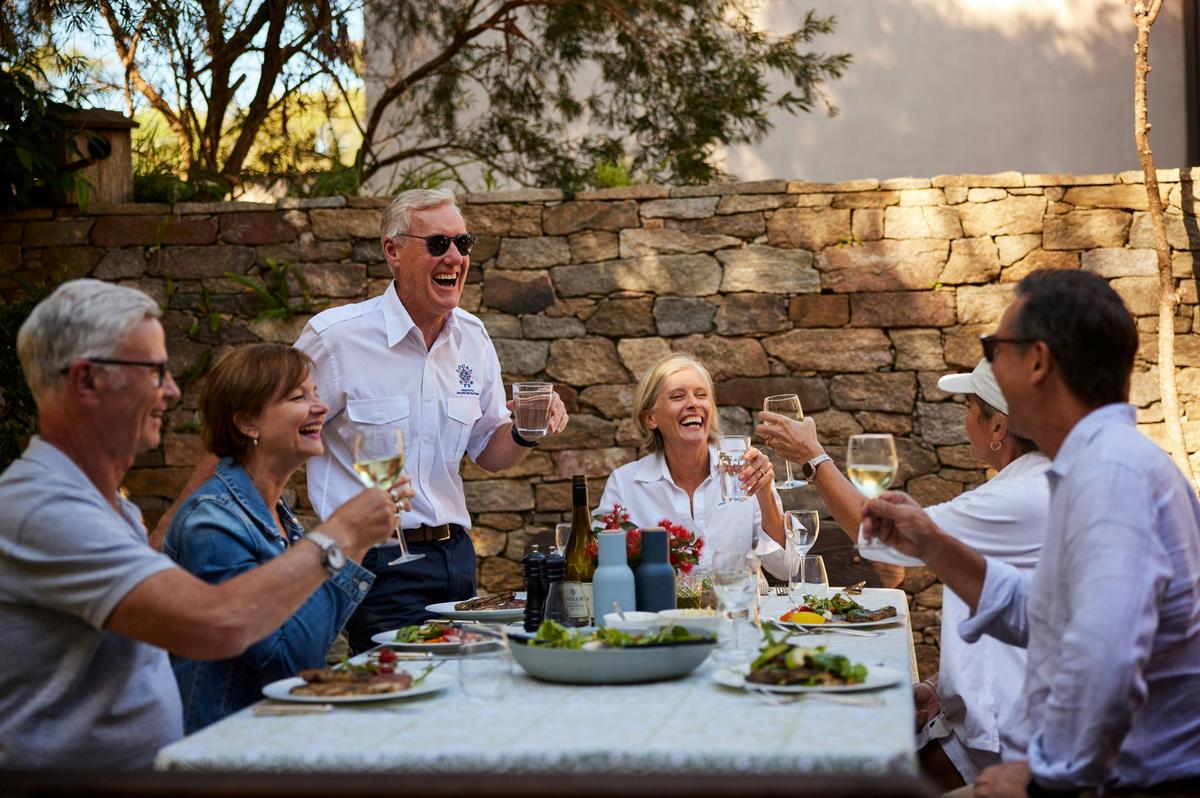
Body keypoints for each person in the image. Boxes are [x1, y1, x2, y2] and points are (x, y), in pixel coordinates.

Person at [0, 280, 395, 769]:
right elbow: (220, 625)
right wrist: (341, 536)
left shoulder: (109, 508)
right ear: (86, 381)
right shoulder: (49, 510)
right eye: (153, 371)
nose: (170, 390)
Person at [864, 269, 1200, 798]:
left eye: (995, 349)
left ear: (1038, 362)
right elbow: (1042, 613)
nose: (990, 368)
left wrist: (1041, 778)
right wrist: (931, 542)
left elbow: (1108, 664)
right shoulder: (1092, 465)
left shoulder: (1111, 477)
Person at [296, 188, 569, 652]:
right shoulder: (336, 338)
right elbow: (271, 427)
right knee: (399, 681)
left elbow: (489, 451)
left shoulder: (474, 338)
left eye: (463, 243)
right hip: (379, 557)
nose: (455, 257)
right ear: (393, 251)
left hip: (455, 558)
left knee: (458, 683)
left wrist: (526, 428)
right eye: (438, 243)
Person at [758, 359, 1049, 789]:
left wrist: (813, 458)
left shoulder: (1017, 496)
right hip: (980, 726)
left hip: (997, 747)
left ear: (998, 427)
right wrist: (937, 688)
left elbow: (880, 537)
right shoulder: (1029, 484)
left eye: (969, 407)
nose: (965, 420)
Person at [163, 344, 414, 732]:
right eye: (298, 397)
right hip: (229, 744)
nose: (321, 407)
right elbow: (288, 660)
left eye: (315, 393)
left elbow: (308, 634)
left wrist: (361, 538)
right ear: (248, 423)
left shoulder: (278, 517)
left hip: (274, 728)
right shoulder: (212, 523)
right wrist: (348, 537)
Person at [598, 353, 792, 579]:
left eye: (701, 395)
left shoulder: (746, 473)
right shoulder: (624, 484)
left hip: (738, 602)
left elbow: (786, 569)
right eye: (677, 396)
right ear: (650, 418)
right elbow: (602, 564)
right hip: (662, 603)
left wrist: (765, 493)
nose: (693, 403)